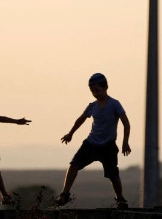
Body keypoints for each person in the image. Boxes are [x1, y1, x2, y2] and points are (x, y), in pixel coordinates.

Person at [55, 72, 131, 209]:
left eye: (97, 90)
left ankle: (120, 198)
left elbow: (126, 123)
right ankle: (64, 194)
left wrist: (125, 142)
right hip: (91, 143)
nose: (95, 94)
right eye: (92, 91)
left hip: (108, 146)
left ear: (105, 87)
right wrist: (70, 133)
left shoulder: (114, 104)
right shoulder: (93, 106)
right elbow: (81, 119)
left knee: (113, 175)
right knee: (73, 165)